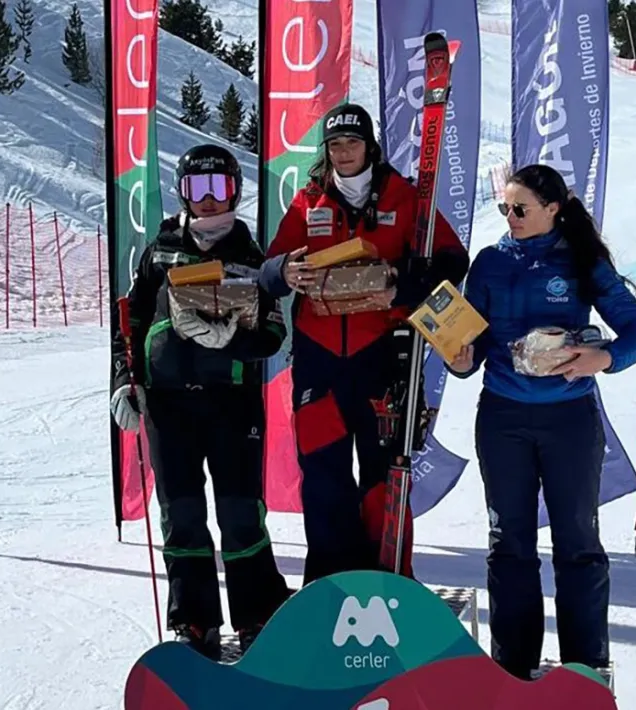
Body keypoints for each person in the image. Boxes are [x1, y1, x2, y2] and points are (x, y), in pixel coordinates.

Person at [447, 163, 636, 680]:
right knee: (509, 544)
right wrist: (458, 358)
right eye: (504, 209)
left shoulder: (582, 259)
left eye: (521, 209)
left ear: (554, 209)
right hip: (503, 417)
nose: (511, 217)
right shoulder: (491, 262)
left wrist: (602, 359)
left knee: (577, 543)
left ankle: (586, 669)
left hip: (569, 420)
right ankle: (513, 669)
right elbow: (468, 352)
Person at [259, 103, 470, 584]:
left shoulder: (405, 196)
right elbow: (269, 270)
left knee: (383, 477)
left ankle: (388, 579)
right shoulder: (309, 202)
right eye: (335, 145)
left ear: (369, 146)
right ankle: (330, 585)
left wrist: (401, 288)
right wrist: (285, 271)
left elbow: (454, 260)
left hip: (382, 359)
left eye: (352, 143)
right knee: (324, 478)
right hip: (319, 361)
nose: (344, 152)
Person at [109, 144, 292, 660]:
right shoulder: (160, 252)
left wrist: (227, 339)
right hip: (169, 405)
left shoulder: (253, 259)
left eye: (218, 189)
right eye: (197, 189)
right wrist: (126, 381)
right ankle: (194, 621)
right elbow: (130, 325)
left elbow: (274, 333)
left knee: (240, 513)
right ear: (182, 192)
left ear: (234, 190)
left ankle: (257, 614)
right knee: (182, 513)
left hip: (232, 403)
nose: (208, 201)